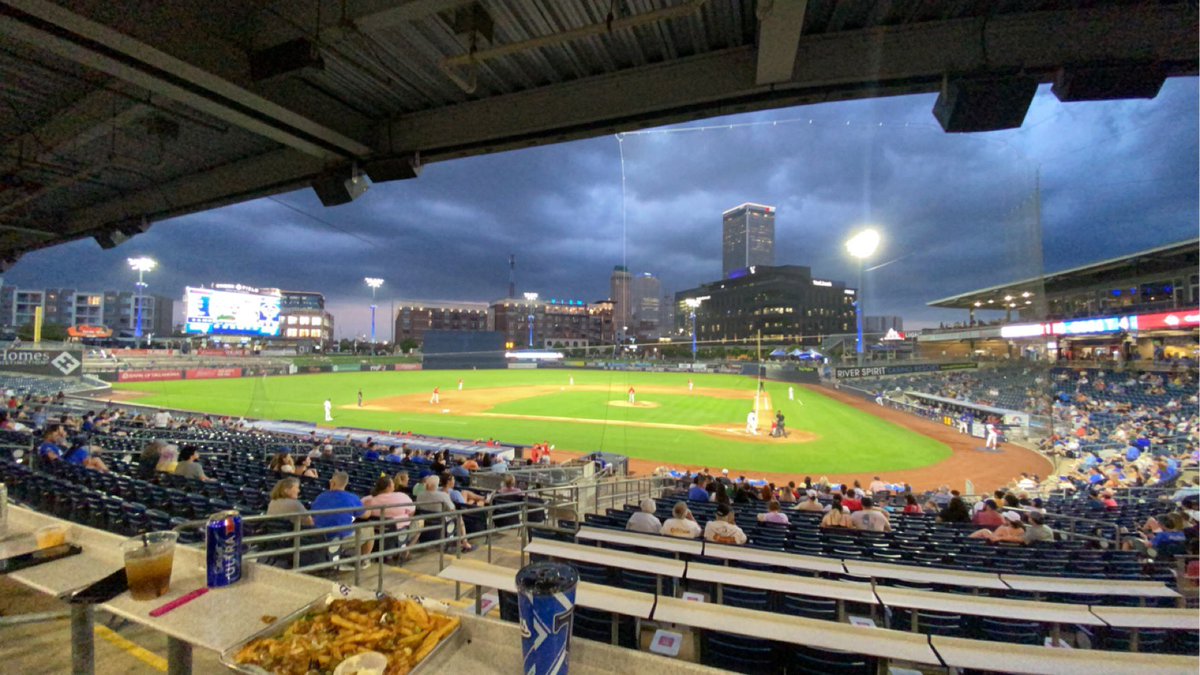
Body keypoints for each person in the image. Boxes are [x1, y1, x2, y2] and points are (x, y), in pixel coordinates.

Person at [311, 472, 370, 567]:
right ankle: (364, 560)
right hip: (340, 536)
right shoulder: (352, 498)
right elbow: (365, 515)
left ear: (332, 483)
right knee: (369, 529)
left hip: (318, 535)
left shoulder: (320, 497)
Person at [414, 475, 473, 552]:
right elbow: (452, 509)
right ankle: (465, 542)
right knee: (459, 517)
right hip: (440, 522)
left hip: (425, 521)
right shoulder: (443, 495)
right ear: (437, 485)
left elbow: (417, 508)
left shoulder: (420, 495)